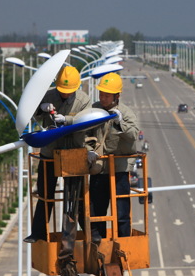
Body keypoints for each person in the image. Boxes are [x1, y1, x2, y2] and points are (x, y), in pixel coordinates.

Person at [24, 66, 91, 243]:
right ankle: (38, 233)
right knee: (45, 195)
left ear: (76, 88)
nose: (65, 95)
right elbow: (30, 115)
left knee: (77, 197)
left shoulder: (84, 100)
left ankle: (89, 233)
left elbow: (87, 122)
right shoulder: (47, 96)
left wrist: (68, 120)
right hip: (50, 153)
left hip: (73, 153)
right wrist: (41, 108)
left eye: (68, 92)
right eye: (62, 91)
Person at [88, 72, 139, 243]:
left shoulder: (125, 113)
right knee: (97, 210)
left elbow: (133, 135)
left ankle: (124, 242)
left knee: (121, 210)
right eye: (101, 94)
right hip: (99, 168)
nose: (103, 98)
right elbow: (84, 133)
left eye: (107, 95)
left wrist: (120, 122)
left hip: (119, 169)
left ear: (116, 96)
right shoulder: (94, 110)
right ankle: (99, 241)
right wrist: (89, 150)